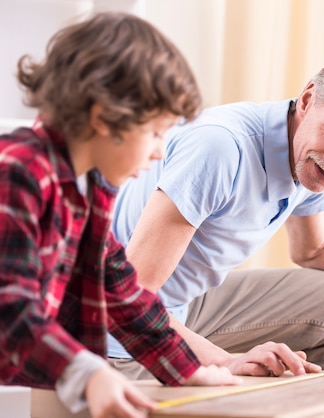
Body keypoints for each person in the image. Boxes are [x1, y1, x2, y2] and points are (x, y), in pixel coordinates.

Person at [108, 52, 324, 380]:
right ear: (308, 101)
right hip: (115, 326)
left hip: (181, 304)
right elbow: (130, 298)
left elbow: (313, 250)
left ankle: (319, 406)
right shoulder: (219, 148)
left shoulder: (314, 158)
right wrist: (226, 363)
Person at [0, 11, 245, 418]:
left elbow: (119, 290)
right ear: (102, 117)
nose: (160, 151)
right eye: (155, 132)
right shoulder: (20, 171)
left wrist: (186, 369)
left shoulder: (91, 187)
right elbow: (8, 306)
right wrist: (88, 373)